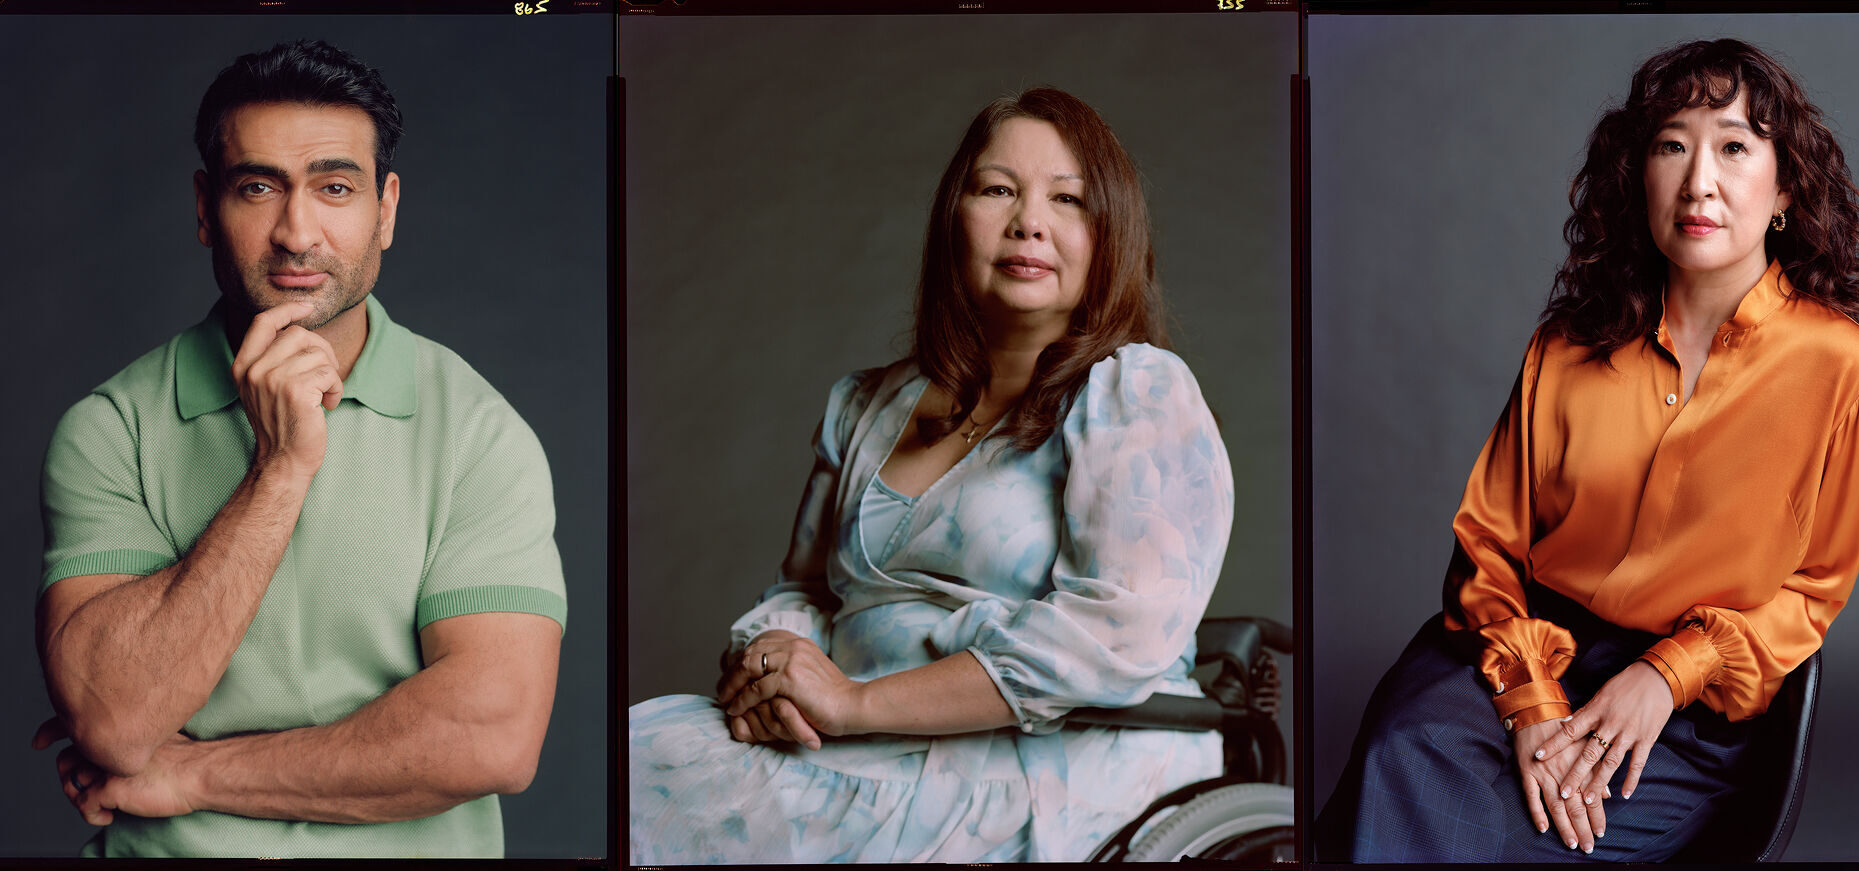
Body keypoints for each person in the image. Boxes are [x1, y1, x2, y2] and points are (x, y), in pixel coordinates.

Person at [1317, 38, 1859, 863]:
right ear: (1640, 177)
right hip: (1510, 650)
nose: (1699, 180)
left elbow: (1811, 593)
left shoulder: (1847, 371)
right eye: (1672, 145)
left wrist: (1667, 673)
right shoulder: (1568, 345)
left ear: (1785, 189)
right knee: (1401, 763)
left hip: (1689, 708)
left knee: (1521, 841)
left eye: (1734, 146)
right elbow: (1487, 545)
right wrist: (1530, 698)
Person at [628, 87, 1235, 863]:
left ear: (1109, 233)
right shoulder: (869, 404)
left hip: (1044, 761)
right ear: (956, 215)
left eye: (1068, 199)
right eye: (997, 189)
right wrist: (773, 672)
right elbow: (804, 591)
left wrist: (855, 702)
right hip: (856, 741)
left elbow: (1112, 635)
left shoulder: (1136, 393)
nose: (1028, 222)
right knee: (640, 756)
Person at [32, 40, 566, 858]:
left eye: (335, 187)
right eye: (258, 187)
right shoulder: (111, 428)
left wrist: (195, 776)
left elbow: (491, 736)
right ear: (207, 206)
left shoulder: (480, 433)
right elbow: (115, 719)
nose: (296, 231)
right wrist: (279, 470)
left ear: (385, 208)